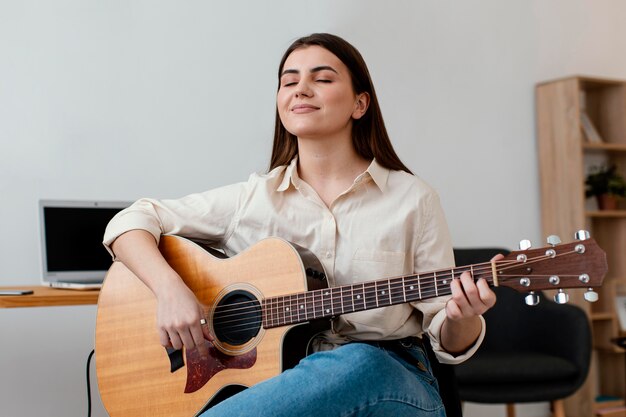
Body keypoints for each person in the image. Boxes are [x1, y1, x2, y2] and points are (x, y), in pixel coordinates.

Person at [103, 33, 497, 417]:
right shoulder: (252, 199)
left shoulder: (413, 199)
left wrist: (462, 317)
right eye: (289, 81)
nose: (301, 89)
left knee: (360, 361)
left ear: (360, 104)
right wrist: (171, 291)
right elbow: (130, 222)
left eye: (322, 79)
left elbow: (448, 339)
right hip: (285, 384)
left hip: (395, 379)